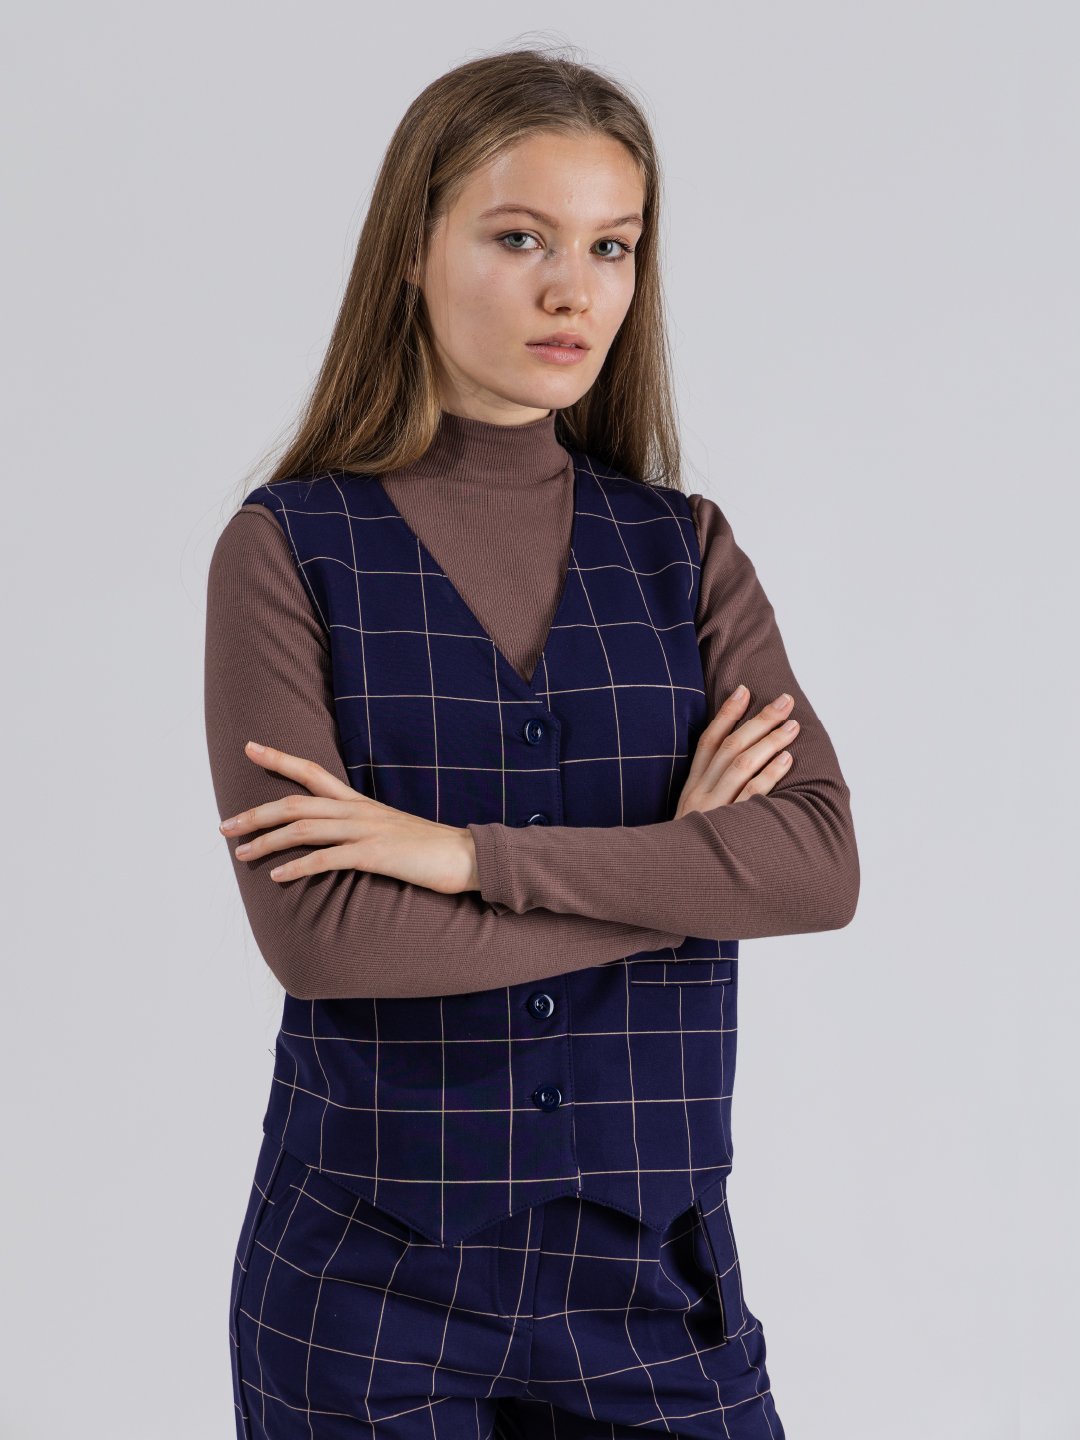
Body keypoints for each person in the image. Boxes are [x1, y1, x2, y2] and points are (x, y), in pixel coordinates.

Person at [204, 45, 859, 1440]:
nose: (575, 291)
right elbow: (328, 937)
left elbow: (815, 864)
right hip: (364, 1292)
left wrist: (462, 860)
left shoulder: (684, 552)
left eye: (611, 246)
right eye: (521, 238)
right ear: (412, 251)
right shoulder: (288, 551)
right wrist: (685, 872)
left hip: (654, 1283)